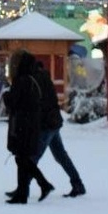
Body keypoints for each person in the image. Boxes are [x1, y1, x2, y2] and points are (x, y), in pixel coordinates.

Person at [3, 49, 56, 203]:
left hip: (22, 125)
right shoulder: (31, 79)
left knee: (23, 158)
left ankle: (41, 185)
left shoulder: (21, 81)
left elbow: (13, 103)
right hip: (31, 124)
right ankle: (23, 191)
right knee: (22, 158)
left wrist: (7, 95)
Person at [33, 59, 86, 197]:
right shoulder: (46, 78)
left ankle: (23, 188)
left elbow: (39, 103)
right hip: (54, 122)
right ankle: (78, 184)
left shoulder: (36, 80)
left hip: (46, 124)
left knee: (33, 157)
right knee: (61, 156)